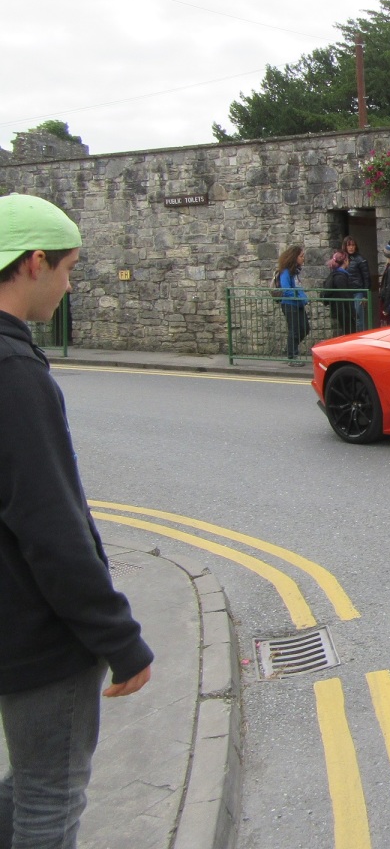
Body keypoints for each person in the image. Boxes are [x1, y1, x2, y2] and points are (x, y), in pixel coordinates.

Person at [0, 193, 154, 849]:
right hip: (36, 635)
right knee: (49, 799)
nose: (68, 285)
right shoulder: (15, 374)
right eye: (67, 269)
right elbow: (51, 526)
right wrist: (119, 640)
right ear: (33, 263)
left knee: (29, 782)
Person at [274, 245, 309, 364]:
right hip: (289, 304)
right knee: (294, 330)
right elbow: (286, 289)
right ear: (294, 257)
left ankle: (290, 349)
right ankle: (292, 356)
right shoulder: (285, 272)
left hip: (298, 304)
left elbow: (298, 287)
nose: (303, 258)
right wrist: (300, 297)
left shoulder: (295, 272)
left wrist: (303, 297)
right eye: (301, 256)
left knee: (305, 328)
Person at [323, 251, 357, 337]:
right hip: (343, 310)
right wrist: (352, 311)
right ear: (345, 261)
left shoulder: (336, 274)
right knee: (349, 333)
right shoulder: (340, 276)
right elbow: (345, 295)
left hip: (340, 309)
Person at [341, 236, 371, 331]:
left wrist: (365, 295)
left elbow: (366, 278)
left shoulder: (360, 259)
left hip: (358, 292)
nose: (351, 247)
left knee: (359, 318)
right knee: (349, 318)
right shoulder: (342, 259)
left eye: (353, 245)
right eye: (349, 245)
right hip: (347, 292)